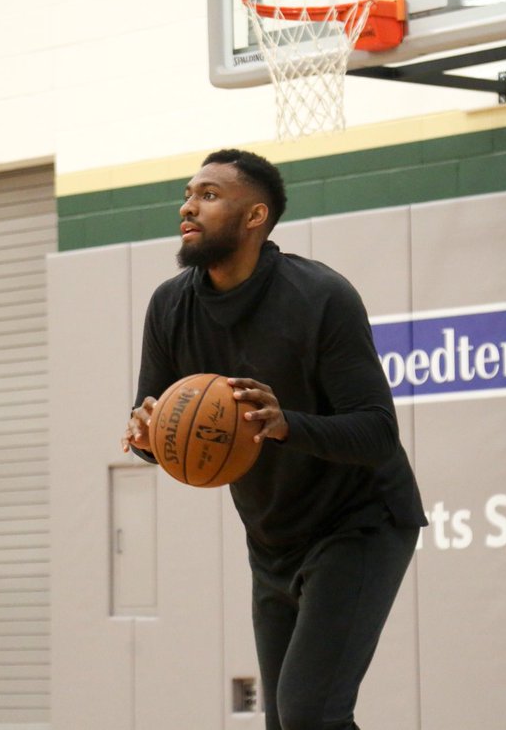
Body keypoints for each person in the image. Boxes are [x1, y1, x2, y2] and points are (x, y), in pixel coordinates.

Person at [120, 148, 427, 730]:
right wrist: (145, 434)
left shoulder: (320, 296)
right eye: (188, 194)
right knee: (284, 720)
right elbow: (154, 423)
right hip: (271, 536)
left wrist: (286, 422)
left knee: (311, 713)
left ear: (255, 216)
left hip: (359, 520)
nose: (188, 206)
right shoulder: (169, 305)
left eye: (209, 195)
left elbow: (378, 432)